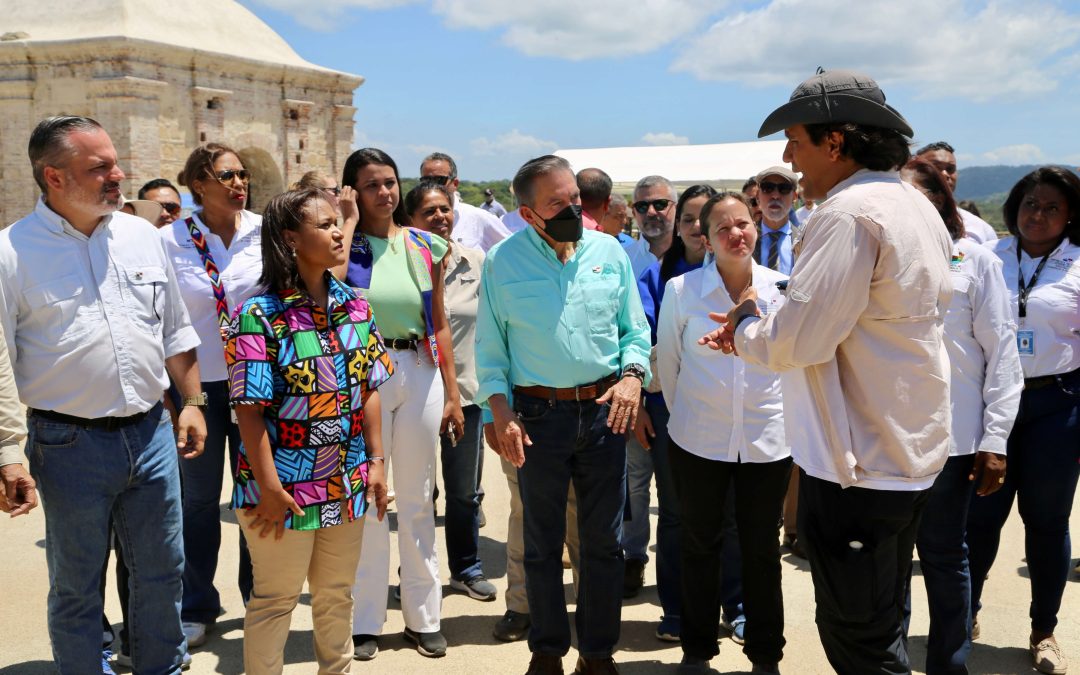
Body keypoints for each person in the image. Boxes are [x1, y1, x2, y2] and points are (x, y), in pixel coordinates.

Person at [701, 69, 954, 674]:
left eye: (796, 141)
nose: (788, 159)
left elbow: (797, 343)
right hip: (900, 453)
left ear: (835, 142)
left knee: (858, 639)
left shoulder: (848, 214)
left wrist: (746, 328)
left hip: (857, 467)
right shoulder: (913, 204)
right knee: (881, 621)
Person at [0, 115, 206, 673]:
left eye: (114, 162)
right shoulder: (11, 253)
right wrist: (8, 452)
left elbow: (175, 328)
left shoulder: (141, 234)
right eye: (100, 168)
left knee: (163, 569)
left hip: (152, 432)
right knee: (77, 582)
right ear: (54, 177)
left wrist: (191, 401)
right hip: (68, 444)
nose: (119, 175)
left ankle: (161, 666)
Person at [476, 154, 651, 674]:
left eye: (574, 197)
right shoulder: (502, 262)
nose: (573, 208)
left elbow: (634, 333)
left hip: (604, 416)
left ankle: (597, 655)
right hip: (536, 419)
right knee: (542, 544)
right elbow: (490, 351)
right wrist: (499, 411)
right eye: (558, 202)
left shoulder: (609, 253)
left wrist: (632, 377)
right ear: (528, 213)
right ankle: (547, 653)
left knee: (603, 545)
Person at [225, 187, 391, 675]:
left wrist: (376, 463)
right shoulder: (259, 315)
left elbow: (369, 388)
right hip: (281, 491)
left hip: (345, 482)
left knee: (337, 596)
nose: (339, 231)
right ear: (290, 238)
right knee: (275, 600)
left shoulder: (356, 306)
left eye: (338, 221)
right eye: (324, 224)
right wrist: (271, 490)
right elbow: (249, 412)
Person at [658, 191, 792, 674]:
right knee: (700, 545)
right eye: (722, 228)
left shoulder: (783, 290)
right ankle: (697, 650)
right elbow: (669, 365)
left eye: (743, 224)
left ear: (755, 226)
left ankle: (764, 655)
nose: (736, 234)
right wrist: (689, 420)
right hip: (698, 440)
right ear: (706, 239)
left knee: (761, 550)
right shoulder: (682, 291)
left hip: (768, 442)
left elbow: (792, 367)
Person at [899, 157, 1023, 674]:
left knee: (946, 557)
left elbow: (1003, 355)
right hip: (888, 439)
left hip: (953, 441)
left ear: (941, 203)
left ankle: (949, 664)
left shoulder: (976, 260)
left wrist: (995, 440)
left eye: (921, 199)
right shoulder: (878, 260)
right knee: (889, 564)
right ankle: (891, 662)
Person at [341, 148, 464, 660]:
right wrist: (345, 222)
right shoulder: (337, 241)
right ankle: (366, 620)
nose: (385, 193)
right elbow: (329, 292)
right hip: (359, 377)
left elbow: (438, 321)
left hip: (417, 368)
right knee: (370, 499)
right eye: (371, 185)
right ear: (352, 191)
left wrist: (453, 392)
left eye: (390, 183)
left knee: (416, 498)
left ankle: (424, 616)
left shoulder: (423, 245)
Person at [966, 166, 1080, 675]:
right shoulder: (990, 257)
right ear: (1015, 207)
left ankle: (1044, 630)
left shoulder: (1078, 264)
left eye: (1052, 206)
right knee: (979, 520)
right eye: (1031, 204)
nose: (1038, 214)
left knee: (1047, 522)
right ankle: (962, 617)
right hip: (992, 407)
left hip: (1054, 407)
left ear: (1070, 214)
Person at [163, 142, 261, 649]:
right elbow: (158, 322)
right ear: (198, 183)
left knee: (254, 493)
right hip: (196, 388)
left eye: (243, 175)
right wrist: (181, 400)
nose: (239, 183)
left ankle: (259, 598)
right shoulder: (169, 240)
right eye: (227, 176)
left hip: (257, 385)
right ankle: (197, 604)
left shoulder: (266, 231)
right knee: (198, 500)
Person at [625, 184, 716, 636]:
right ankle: (677, 612)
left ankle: (733, 606)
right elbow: (640, 343)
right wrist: (640, 402)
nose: (698, 228)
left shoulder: (747, 275)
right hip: (667, 410)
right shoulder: (659, 277)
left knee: (728, 516)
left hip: (729, 412)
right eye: (690, 220)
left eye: (706, 218)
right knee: (677, 512)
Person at [403, 180, 498, 602]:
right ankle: (415, 573)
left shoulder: (475, 261)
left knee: (463, 491)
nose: (441, 217)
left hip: (466, 395)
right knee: (417, 490)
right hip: (414, 394)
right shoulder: (397, 264)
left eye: (445, 210)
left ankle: (465, 568)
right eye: (430, 212)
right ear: (410, 221)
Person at [420, 152, 511, 251]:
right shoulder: (414, 220)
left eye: (439, 180)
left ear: (455, 184)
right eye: (426, 181)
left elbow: (514, 250)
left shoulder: (479, 218)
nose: (433, 186)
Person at [916, 142, 999, 244]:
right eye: (935, 167)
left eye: (950, 169)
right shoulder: (897, 218)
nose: (945, 174)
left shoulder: (980, 229)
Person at [622, 175, 677, 279]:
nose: (651, 212)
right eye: (642, 206)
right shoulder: (623, 260)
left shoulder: (697, 257)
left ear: (677, 209)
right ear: (634, 213)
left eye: (660, 204)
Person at [751, 166, 801, 274]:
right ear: (757, 196)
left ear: (795, 197)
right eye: (767, 188)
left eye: (784, 188)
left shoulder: (806, 241)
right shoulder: (745, 239)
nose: (775, 195)